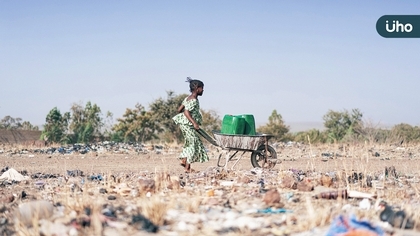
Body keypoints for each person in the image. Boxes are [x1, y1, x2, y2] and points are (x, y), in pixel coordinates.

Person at [172, 77, 209, 173]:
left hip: (184, 124)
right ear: (197, 89)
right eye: (202, 88)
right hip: (188, 124)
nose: (203, 90)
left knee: (190, 143)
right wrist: (194, 123)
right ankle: (187, 168)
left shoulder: (187, 98)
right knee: (194, 143)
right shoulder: (193, 100)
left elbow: (179, 110)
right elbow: (186, 112)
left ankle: (184, 161)